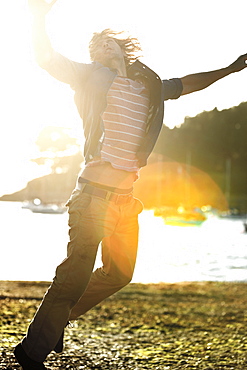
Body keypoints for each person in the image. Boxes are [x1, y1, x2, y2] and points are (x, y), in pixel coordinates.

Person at [14, 1, 247, 369]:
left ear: (123, 46)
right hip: (92, 196)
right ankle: (30, 353)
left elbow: (189, 85)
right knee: (74, 276)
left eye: (108, 42)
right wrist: (38, 17)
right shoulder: (88, 76)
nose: (101, 47)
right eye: (95, 46)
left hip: (126, 200)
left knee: (120, 274)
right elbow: (46, 58)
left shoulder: (148, 85)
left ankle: (54, 320)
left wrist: (231, 70)